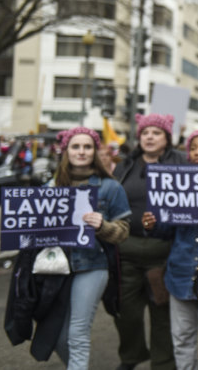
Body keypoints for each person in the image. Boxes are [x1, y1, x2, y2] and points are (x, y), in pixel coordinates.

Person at [141, 128, 198, 370]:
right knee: (182, 338)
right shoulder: (177, 183)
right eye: (193, 148)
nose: (197, 152)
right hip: (179, 272)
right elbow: (166, 232)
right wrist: (153, 224)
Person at [52, 127, 132, 369]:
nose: (82, 151)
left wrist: (102, 225)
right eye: (76, 146)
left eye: (87, 147)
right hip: (56, 267)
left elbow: (123, 231)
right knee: (57, 336)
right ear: (66, 151)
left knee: (77, 332)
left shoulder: (110, 187)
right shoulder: (50, 186)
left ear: (95, 152)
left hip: (93, 265)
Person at [112, 114, 186, 370]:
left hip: (162, 254)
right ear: (139, 137)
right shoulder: (125, 166)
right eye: (145, 133)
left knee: (161, 311)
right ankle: (131, 356)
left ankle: (163, 362)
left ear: (167, 138)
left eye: (156, 133)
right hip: (127, 251)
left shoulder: (182, 163)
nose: (150, 137)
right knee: (126, 312)